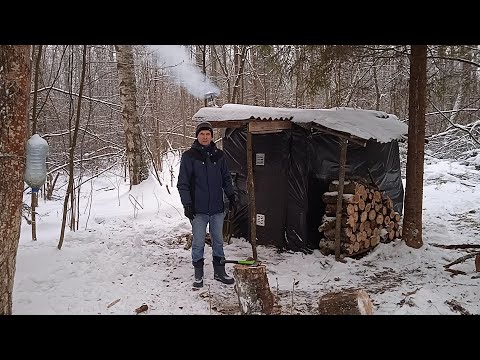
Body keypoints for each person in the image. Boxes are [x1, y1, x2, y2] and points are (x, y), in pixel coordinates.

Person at [177, 121, 237, 288]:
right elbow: (183, 183)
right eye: (202, 134)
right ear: (197, 136)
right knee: (198, 242)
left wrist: (231, 196)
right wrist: (187, 204)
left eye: (208, 134)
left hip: (217, 208)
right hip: (198, 210)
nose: (205, 137)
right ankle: (199, 273)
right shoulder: (189, 156)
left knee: (218, 241)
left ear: (212, 136)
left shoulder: (219, 156)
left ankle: (219, 272)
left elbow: (226, 178)